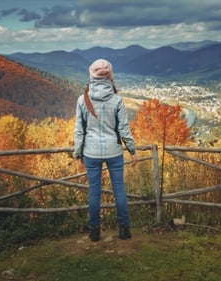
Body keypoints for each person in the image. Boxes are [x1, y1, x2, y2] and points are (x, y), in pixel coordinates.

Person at [73, 58, 137, 242]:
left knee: (94, 192)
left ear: (91, 74)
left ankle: (94, 232)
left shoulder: (82, 100)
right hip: (114, 152)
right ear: (110, 75)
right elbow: (124, 129)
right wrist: (132, 151)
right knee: (119, 190)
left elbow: (79, 130)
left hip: (91, 152)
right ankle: (124, 230)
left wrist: (78, 153)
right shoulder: (117, 99)